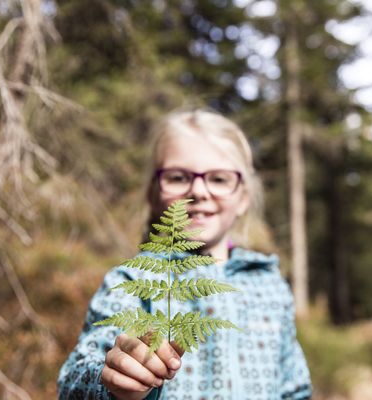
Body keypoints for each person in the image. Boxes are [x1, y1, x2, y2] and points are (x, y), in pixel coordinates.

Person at [58, 109, 312, 399]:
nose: (199, 190)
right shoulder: (131, 280)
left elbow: (294, 388)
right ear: (154, 195)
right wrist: (113, 382)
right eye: (179, 177)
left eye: (218, 179)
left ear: (243, 198)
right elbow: (72, 382)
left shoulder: (269, 284)